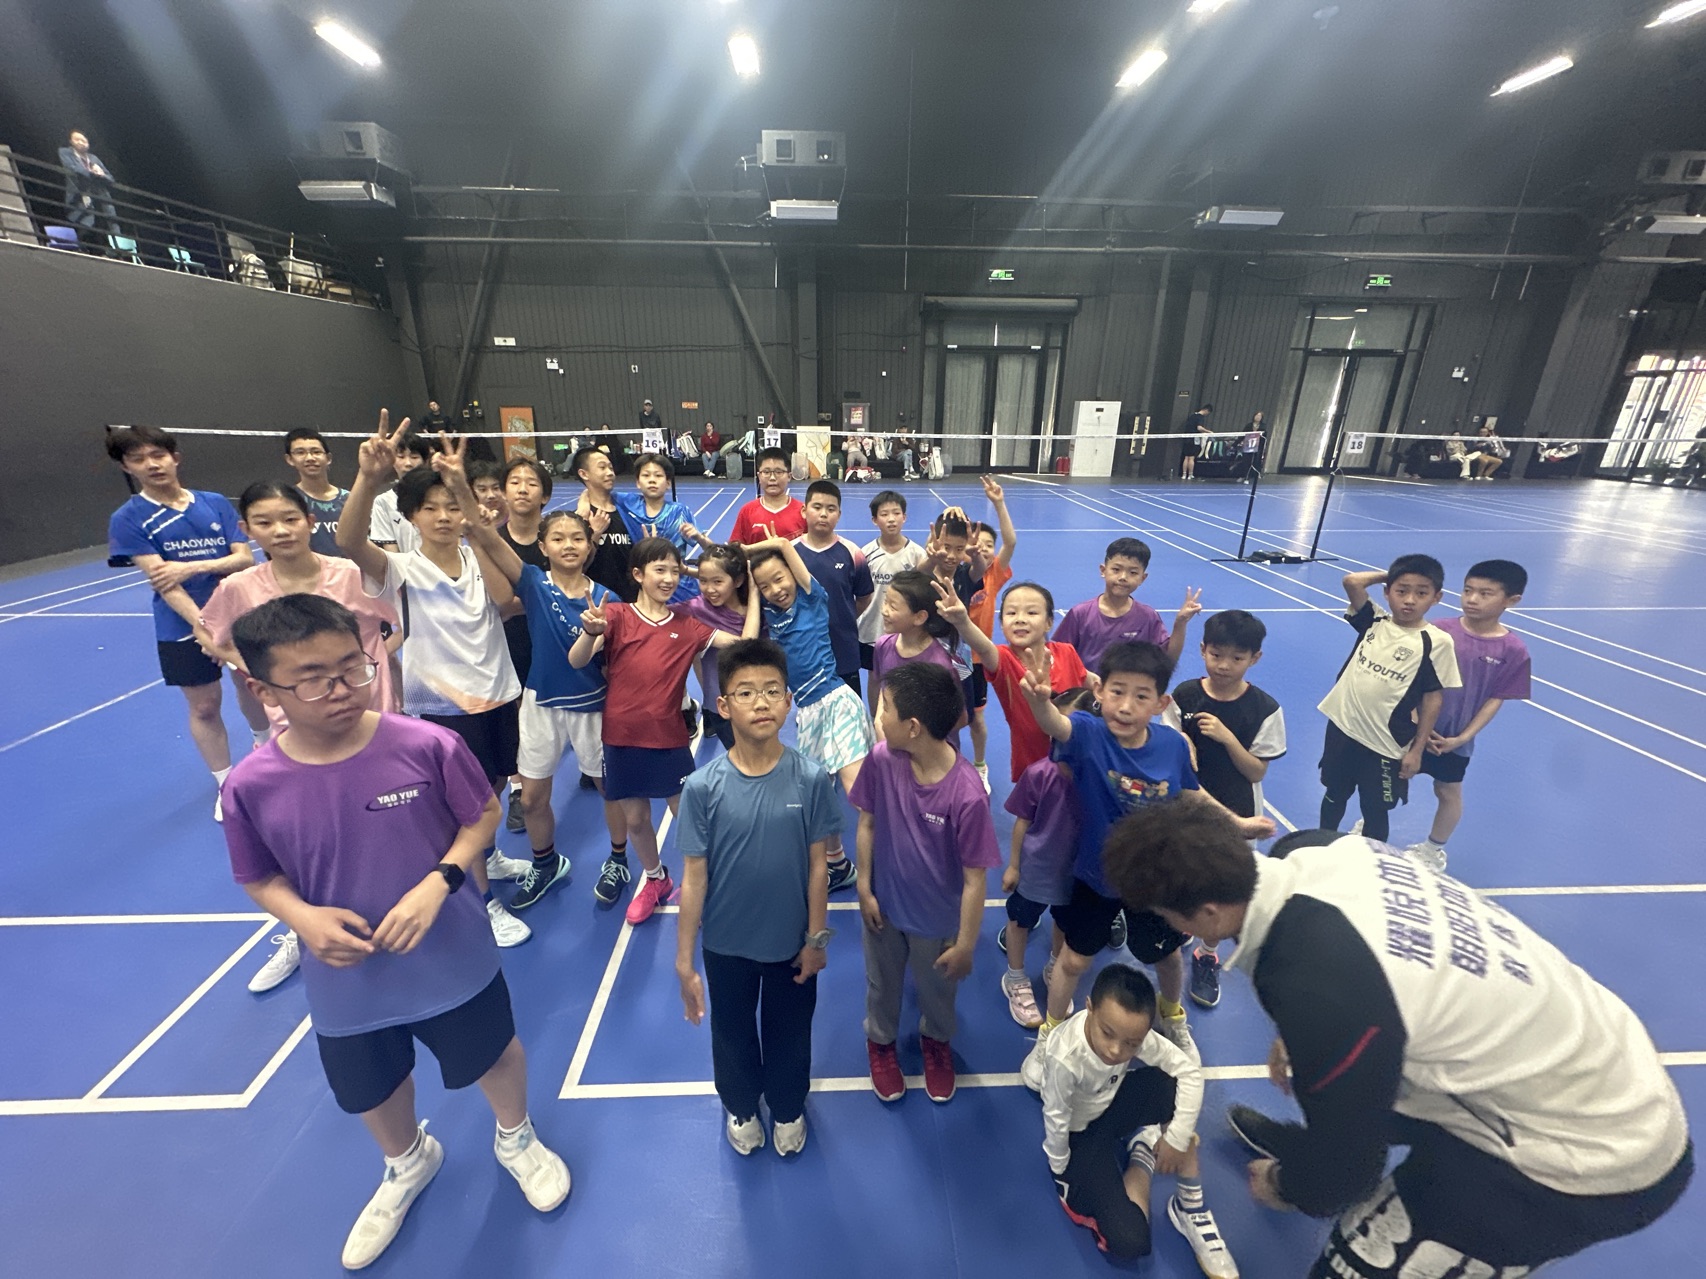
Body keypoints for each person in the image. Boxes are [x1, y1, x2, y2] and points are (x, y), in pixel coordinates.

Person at [1103, 808, 1693, 1279]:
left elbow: (1349, 1176)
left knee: (1349, 1253)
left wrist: (1289, 1186)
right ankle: (1312, 1142)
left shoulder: (1319, 986)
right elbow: (1353, 979)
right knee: (1349, 1082)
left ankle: (1307, 1160)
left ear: (1207, 913)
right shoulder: (1310, 850)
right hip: (1581, 1048)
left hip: (1590, 1156)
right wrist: (1302, 1034)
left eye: (1170, 917)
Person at [220, 596, 570, 1271]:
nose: (342, 689)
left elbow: (481, 815)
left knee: (494, 1053)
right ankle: (408, 1161)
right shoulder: (250, 785)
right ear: (263, 690)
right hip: (345, 977)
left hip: (452, 954)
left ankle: (517, 1137)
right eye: (313, 679)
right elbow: (257, 875)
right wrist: (303, 918)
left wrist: (438, 882)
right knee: (372, 1086)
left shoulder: (426, 744)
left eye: (352, 667)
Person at [1017, 642, 1276, 1078]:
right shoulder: (1088, 733)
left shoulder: (1172, 745)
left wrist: (1237, 823)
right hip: (1095, 875)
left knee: (1168, 957)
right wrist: (1040, 701)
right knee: (1073, 961)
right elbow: (1055, 724)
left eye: (1141, 696)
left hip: (1155, 878)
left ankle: (1172, 1017)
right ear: (1099, 692)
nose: (1126, 706)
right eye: (1117, 692)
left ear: (1161, 703)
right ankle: (1051, 1033)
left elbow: (1191, 794)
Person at [197, 482, 404, 995]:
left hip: (372, 720)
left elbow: (398, 623)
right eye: (265, 522)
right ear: (245, 530)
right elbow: (210, 633)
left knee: (386, 823)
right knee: (309, 839)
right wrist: (257, 672)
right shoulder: (240, 588)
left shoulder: (351, 575)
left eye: (290, 518)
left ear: (311, 521)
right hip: (297, 733)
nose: (281, 530)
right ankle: (302, 929)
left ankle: (404, 907)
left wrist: (372, 666)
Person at [338, 414, 532, 949]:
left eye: (452, 506)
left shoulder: (477, 555)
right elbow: (349, 540)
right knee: (466, 806)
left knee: (494, 786)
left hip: (499, 693)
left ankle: (488, 855)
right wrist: (367, 478)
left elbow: (504, 601)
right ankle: (484, 902)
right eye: (431, 508)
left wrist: (476, 523)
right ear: (411, 516)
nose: (444, 517)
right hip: (443, 707)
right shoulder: (400, 568)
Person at [441, 456, 630, 916]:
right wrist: (459, 484)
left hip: (593, 707)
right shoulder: (533, 583)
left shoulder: (608, 600)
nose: (568, 545)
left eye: (577, 538)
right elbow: (485, 533)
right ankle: (546, 864)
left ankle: (619, 860)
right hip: (540, 704)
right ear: (542, 547)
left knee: (610, 790)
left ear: (589, 545)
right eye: (558, 538)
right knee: (532, 797)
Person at [674, 638, 841, 1157]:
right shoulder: (702, 787)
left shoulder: (811, 778)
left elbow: (819, 867)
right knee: (731, 1032)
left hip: (791, 943)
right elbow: (694, 878)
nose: (761, 702)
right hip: (725, 945)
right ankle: (742, 1105)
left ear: (789, 702)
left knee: (791, 1031)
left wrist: (816, 939)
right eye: (746, 692)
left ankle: (788, 1106)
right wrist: (684, 960)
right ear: (723, 706)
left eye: (772, 690)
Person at [570, 538, 760, 921]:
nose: (670, 578)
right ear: (638, 574)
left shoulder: (689, 626)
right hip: (620, 737)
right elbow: (577, 661)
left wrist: (753, 593)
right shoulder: (616, 616)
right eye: (660, 570)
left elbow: (746, 643)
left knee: (688, 819)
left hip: (669, 739)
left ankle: (704, 882)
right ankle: (656, 879)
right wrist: (590, 632)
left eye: (675, 570)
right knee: (636, 820)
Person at [852, 663, 1000, 1105]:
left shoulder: (967, 794)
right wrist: (864, 887)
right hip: (884, 909)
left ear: (913, 727)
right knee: (882, 984)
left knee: (937, 993)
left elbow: (975, 878)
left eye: (886, 709)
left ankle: (936, 1041)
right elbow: (866, 823)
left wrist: (966, 944)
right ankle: (881, 1042)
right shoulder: (882, 760)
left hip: (937, 924)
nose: (879, 718)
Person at [1040, 964, 1237, 1276]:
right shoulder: (1065, 1058)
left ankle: (1190, 1205)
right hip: (1080, 1136)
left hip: (1111, 1103)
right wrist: (1061, 1167)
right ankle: (1142, 1151)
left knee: (1172, 1087)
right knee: (1130, 1240)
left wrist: (1176, 1138)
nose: (1116, 1050)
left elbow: (1188, 1071)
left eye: (1132, 1043)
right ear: (1089, 1008)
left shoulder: (1131, 1033)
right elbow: (1055, 1118)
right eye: (1107, 1033)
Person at [105, 425, 255, 821]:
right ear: (126, 467)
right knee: (204, 707)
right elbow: (164, 583)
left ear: (175, 458)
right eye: (138, 459)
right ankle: (227, 785)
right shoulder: (128, 518)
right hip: (181, 625)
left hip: (241, 612)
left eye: (158, 455)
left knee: (254, 686)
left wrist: (192, 567)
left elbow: (244, 559)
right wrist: (206, 628)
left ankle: (263, 748)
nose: (151, 464)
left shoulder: (214, 503)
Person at [1162, 609, 1286, 1009]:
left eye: (1237, 658)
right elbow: (1167, 745)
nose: (1224, 665)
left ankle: (1208, 952)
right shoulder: (1184, 695)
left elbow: (1256, 770)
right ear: (1202, 650)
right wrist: (1185, 742)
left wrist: (1228, 738)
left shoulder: (1265, 709)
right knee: (1183, 869)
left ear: (1255, 658)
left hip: (1237, 809)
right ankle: (1184, 923)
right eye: (1216, 655)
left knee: (1221, 883)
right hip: (1186, 804)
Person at [745, 535, 874, 890]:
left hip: (837, 702)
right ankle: (838, 865)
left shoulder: (811, 598)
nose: (776, 589)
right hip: (809, 715)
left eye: (779, 579)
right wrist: (754, 592)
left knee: (857, 793)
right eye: (765, 586)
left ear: (793, 574)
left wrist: (751, 551)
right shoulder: (772, 617)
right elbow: (749, 642)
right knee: (817, 796)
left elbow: (785, 545)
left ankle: (897, 857)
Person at [1317, 555, 1461, 844]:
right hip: (1343, 729)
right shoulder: (1374, 620)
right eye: (1401, 590)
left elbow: (1432, 700)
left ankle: (1374, 861)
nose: (1409, 600)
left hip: (1385, 744)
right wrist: (1392, 574)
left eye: (1421, 593)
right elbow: (1352, 582)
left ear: (1437, 598)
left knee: (1375, 809)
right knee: (1334, 794)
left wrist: (1416, 751)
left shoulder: (1436, 642)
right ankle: (1320, 846)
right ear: (1387, 592)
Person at [1407, 560, 1531, 871]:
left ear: (1512, 600)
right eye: (1467, 590)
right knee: (1386, 779)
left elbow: (1495, 699)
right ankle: (1369, 825)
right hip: (1411, 727)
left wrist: (1462, 738)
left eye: (1485, 594)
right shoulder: (1437, 630)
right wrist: (1414, 720)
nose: (1472, 599)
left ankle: (1433, 850)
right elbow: (1409, 678)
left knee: (1447, 791)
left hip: (1452, 739)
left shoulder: (1513, 650)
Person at [996, 687, 1090, 1029]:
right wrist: (1014, 866)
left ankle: (1055, 967)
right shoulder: (1038, 774)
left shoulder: (1094, 777)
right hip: (1036, 868)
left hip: (1075, 871)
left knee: (1064, 922)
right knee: (1020, 920)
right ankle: (1015, 977)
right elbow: (1022, 822)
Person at [935, 579, 1087, 783]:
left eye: (1031, 612)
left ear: (1049, 622)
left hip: (1079, 759)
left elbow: (1090, 681)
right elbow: (984, 648)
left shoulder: (1066, 652)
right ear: (1001, 623)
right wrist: (962, 622)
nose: (1020, 619)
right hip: (1034, 767)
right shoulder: (1004, 660)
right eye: (1011, 613)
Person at [494, 457, 554, 830]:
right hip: (509, 639)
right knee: (519, 711)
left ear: (544, 495)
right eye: (514, 481)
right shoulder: (494, 542)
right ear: (504, 492)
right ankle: (519, 788)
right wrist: (541, 598)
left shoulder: (557, 536)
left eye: (531, 483)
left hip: (554, 637)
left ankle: (589, 763)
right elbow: (499, 603)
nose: (522, 489)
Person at [1054, 537, 1202, 672]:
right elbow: (1058, 655)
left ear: (1143, 578)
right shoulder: (1080, 614)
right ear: (1103, 570)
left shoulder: (1148, 617)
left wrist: (1180, 623)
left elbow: (1167, 658)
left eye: (1133, 572)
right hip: (1087, 690)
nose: (1123, 577)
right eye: (1116, 570)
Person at [959, 477, 1017, 787]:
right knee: (947, 714)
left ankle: (980, 765)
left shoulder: (994, 574)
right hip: (948, 656)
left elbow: (1011, 542)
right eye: (976, 542)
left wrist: (999, 503)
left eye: (988, 545)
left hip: (978, 660)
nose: (981, 547)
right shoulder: (954, 571)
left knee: (977, 718)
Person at [791, 480, 874, 696]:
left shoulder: (852, 552)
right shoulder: (790, 553)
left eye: (831, 509)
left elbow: (864, 596)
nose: (823, 514)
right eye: (817, 507)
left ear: (839, 514)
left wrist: (843, 616)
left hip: (843, 649)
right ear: (804, 511)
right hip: (804, 650)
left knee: (849, 709)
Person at [869, 569, 969, 720]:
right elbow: (882, 692)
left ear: (919, 617)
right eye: (885, 602)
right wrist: (879, 722)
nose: (884, 611)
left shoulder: (942, 663)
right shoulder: (883, 645)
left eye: (893, 607)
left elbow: (960, 719)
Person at [858, 490, 928, 676]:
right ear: (874, 520)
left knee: (904, 676)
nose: (891, 519)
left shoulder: (917, 554)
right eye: (884, 514)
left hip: (905, 630)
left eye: (896, 513)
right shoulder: (865, 554)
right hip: (871, 629)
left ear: (904, 517)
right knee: (875, 675)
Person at [570, 445, 638, 603]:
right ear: (584, 474)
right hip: (595, 604)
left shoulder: (628, 512)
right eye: (602, 467)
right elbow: (576, 568)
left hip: (630, 602)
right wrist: (594, 534)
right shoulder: (579, 519)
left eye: (611, 468)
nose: (610, 473)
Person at [283, 429, 350, 558]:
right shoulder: (287, 501)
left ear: (328, 458)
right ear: (290, 459)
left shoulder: (350, 500)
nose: (310, 458)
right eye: (300, 452)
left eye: (316, 452)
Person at [367, 431, 435, 553]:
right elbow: (391, 553)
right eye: (401, 457)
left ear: (425, 461)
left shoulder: (439, 497)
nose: (408, 463)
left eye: (414, 457)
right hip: (403, 564)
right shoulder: (383, 502)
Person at [731, 448, 807, 543]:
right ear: (759, 476)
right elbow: (735, 548)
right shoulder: (747, 511)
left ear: (789, 476)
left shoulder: (803, 511)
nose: (772, 478)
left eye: (779, 472)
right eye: (766, 472)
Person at [58, 129, 120, 241]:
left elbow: (110, 178)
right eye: (77, 140)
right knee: (84, 225)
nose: (81, 142)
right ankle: (82, 246)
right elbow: (73, 168)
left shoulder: (93, 158)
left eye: (84, 140)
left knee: (110, 224)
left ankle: (115, 247)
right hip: (80, 195)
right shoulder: (65, 152)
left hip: (100, 198)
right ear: (71, 142)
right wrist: (92, 173)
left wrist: (101, 174)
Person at [1180, 404, 1212, 480]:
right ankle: (1190, 475)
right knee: (1191, 458)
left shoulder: (1192, 416)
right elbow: (1199, 428)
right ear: (1206, 410)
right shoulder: (1200, 417)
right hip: (1193, 439)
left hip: (1186, 438)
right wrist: (1209, 432)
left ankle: (1184, 475)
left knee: (1186, 457)